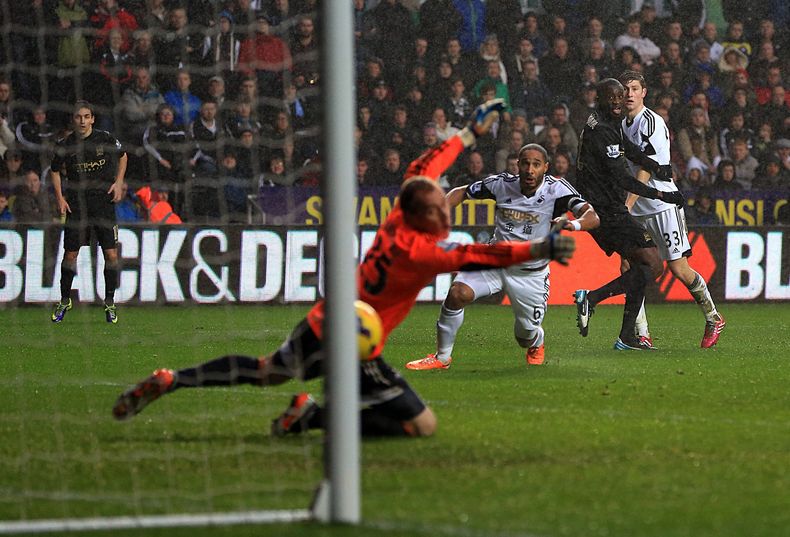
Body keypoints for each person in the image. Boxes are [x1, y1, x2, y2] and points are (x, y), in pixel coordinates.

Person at [111, 99, 576, 438]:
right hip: (358, 342)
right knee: (422, 425)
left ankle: (176, 379)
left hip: (325, 317)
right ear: (431, 214)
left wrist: (468, 134)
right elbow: (484, 256)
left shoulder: (397, 220)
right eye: (440, 203)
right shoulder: (426, 255)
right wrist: (544, 249)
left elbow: (426, 164)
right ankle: (312, 416)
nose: (445, 204)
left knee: (267, 370)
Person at [407, 143, 599, 370]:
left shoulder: (556, 190)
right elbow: (462, 191)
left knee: (524, 337)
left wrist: (573, 224)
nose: (530, 169)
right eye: (525, 163)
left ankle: (537, 341)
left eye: (536, 165)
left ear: (545, 167)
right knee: (458, 293)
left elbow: (592, 216)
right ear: (517, 165)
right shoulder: (501, 184)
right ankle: (442, 357)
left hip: (530, 273)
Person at [572, 78, 684, 351]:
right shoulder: (604, 132)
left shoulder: (601, 122)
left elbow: (630, 149)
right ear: (599, 99)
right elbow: (623, 179)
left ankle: (626, 337)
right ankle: (592, 298)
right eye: (611, 98)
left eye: (620, 97)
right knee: (654, 265)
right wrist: (662, 194)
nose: (617, 102)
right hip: (607, 211)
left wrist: (655, 167)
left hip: (604, 206)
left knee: (640, 267)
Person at [618, 70, 725, 349]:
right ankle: (641, 334)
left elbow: (645, 167)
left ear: (644, 92)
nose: (629, 93)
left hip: (662, 203)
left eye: (634, 88)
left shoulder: (651, 122)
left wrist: (626, 205)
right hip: (637, 205)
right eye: (625, 89)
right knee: (629, 264)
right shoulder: (622, 124)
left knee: (679, 268)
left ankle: (713, 317)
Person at [50, 101, 127, 324]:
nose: (82, 121)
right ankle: (65, 300)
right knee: (70, 256)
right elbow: (54, 171)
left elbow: (123, 156)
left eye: (86, 117)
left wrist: (119, 182)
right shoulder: (65, 144)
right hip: (77, 206)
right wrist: (60, 198)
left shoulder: (105, 139)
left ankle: (110, 302)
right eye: (78, 117)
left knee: (111, 255)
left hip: (103, 205)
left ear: (92, 119)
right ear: (73, 120)